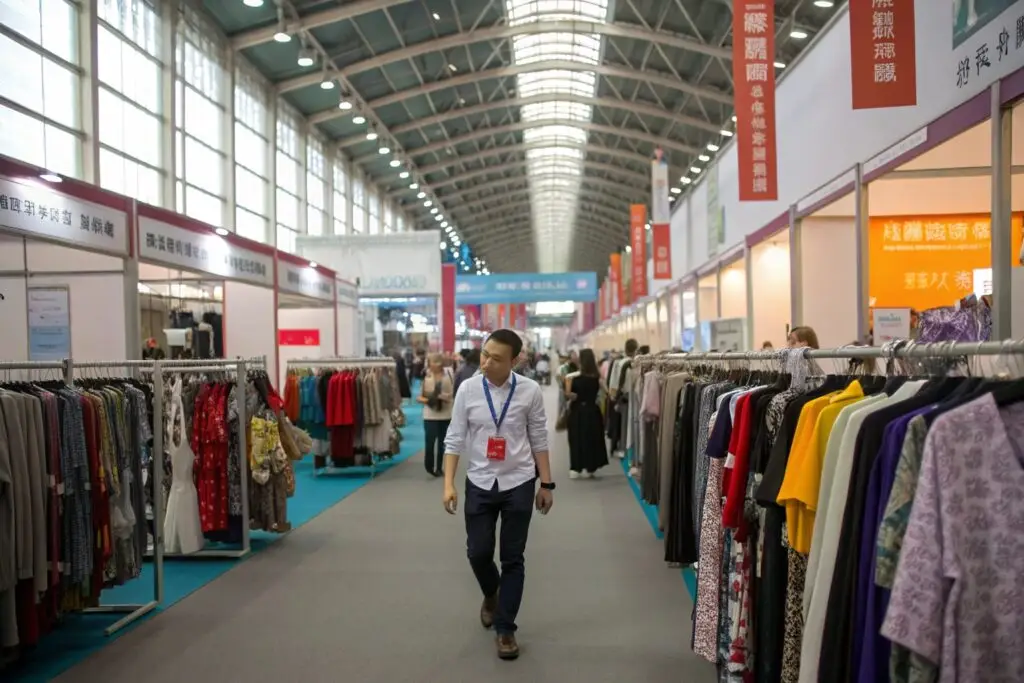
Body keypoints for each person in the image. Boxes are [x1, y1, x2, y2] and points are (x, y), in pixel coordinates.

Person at [441, 329, 553, 661]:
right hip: (479, 480)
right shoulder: (468, 389)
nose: (487, 362)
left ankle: (506, 629)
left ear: (515, 361)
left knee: (513, 559)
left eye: (496, 358)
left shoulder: (530, 391)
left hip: (518, 481)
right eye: (485, 354)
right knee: (477, 552)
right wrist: (448, 483)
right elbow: (455, 436)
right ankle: (492, 593)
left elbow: (539, 438)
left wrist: (546, 484)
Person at [565, 348, 609, 479]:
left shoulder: (573, 377)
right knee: (592, 439)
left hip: (577, 412)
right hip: (593, 411)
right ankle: (591, 467)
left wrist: (573, 395)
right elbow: (606, 392)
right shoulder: (597, 377)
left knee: (576, 439)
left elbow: (569, 396)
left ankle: (576, 467)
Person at [419, 353, 454, 477]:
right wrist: (428, 400)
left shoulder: (448, 376)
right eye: (431, 364)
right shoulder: (427, 377)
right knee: (429, 442)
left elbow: (451, 395)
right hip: (430, 415)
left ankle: (439, 467)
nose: (432, 366)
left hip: (445, 415)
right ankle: (429, 466)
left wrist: (443, 397)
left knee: (442, 443)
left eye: (435, 364)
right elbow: (420, 396)